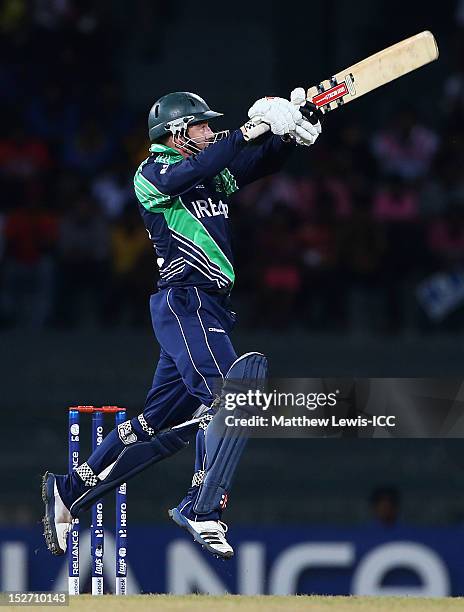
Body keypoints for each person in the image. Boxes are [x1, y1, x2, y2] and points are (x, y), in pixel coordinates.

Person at [42, 90, 322, 559]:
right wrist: (246, 130)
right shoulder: (151, 174)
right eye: (203, 126)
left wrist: (294, 126)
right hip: (185, 301)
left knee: (158, 427)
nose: (210, 133)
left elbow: (259, 164)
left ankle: (68, 493)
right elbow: (200, 166)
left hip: (204, 309)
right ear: (177, 133)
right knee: (236, 397)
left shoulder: (213, 176)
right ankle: (202, 509)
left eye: (213, 128)